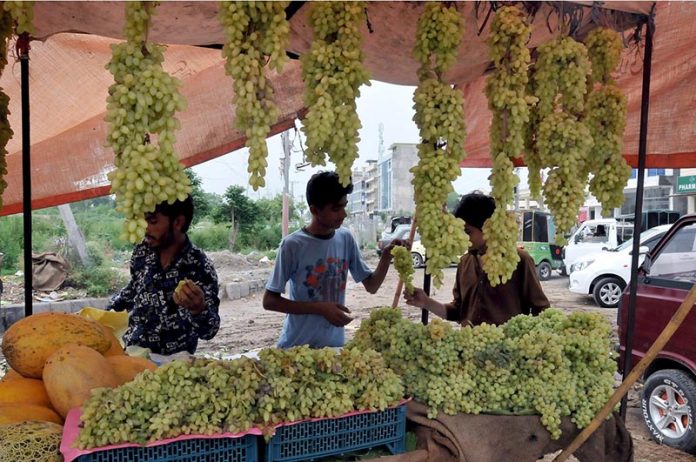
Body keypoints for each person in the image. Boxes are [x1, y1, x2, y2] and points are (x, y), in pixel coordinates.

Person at [263, 171, 404, 349]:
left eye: (344, 206)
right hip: (296, 349)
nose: (343, 214)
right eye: (336, 209)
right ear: (315, 210)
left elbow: (372, 286)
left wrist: (386, 257)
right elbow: (269, 301)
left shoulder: (345, 238)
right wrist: (320, 308)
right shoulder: (293, 245)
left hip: (334, 349)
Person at [404, 192, 549, 326]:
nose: (462, 238)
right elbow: (458, 311)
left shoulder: (520, 261)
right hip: (470, 350)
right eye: (460, 232)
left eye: (467, 231)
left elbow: (541, 309)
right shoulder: (465, 262)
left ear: (487, 228)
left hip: (507, 352)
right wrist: (426, 302)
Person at [109, 195, 221, 355]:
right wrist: (104, 313)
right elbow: (134, 290)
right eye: (143, 221)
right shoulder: (142, 252)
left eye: (152, 221)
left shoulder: (200, 266)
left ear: (178, 222)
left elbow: (209, 331)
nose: (145, 228)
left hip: (172, 367)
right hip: (133, 356)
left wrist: (198, 309)